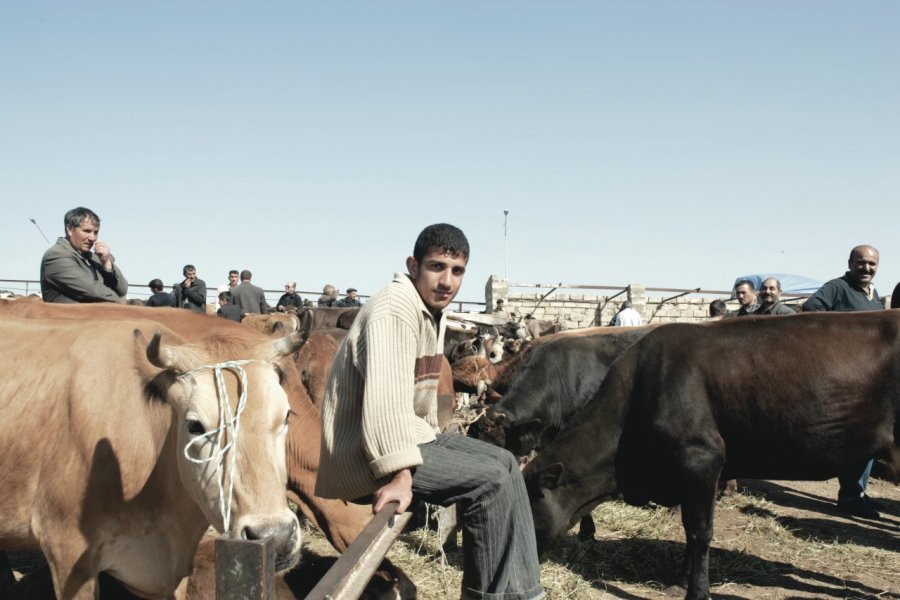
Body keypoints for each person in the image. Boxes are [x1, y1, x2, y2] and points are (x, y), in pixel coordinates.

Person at [316, 223, 544, 600]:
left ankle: (525, 595)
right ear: (413, 265)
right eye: (437, 267)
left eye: (457, 271)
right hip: (364, 454)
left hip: (406, 438)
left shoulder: (429, 310)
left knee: (505, 464)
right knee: (490, 483)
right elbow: (385, 404)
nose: (447, 281)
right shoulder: (395, 309)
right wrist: (400, 475)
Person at [803, 244, 884, 518]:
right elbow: (812, 308)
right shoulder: (837, 287)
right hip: (848, 376)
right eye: (861, 263)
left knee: (873, 436)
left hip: (874, 376)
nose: (866, 268)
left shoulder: (874, 297)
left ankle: (859, 492)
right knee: (858, 436)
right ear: (850, 263)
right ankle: (850, 496)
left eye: (872, 264)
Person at [40, 206, 129, 303]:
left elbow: (122, 289)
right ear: (69, 230)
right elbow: (93, 291)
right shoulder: (56, 255)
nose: (92, 238)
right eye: (87, 231)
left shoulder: (95, 257)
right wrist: (122, 304)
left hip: (96, 315)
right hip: (67, 317)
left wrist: (107, 263)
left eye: (95, 232)